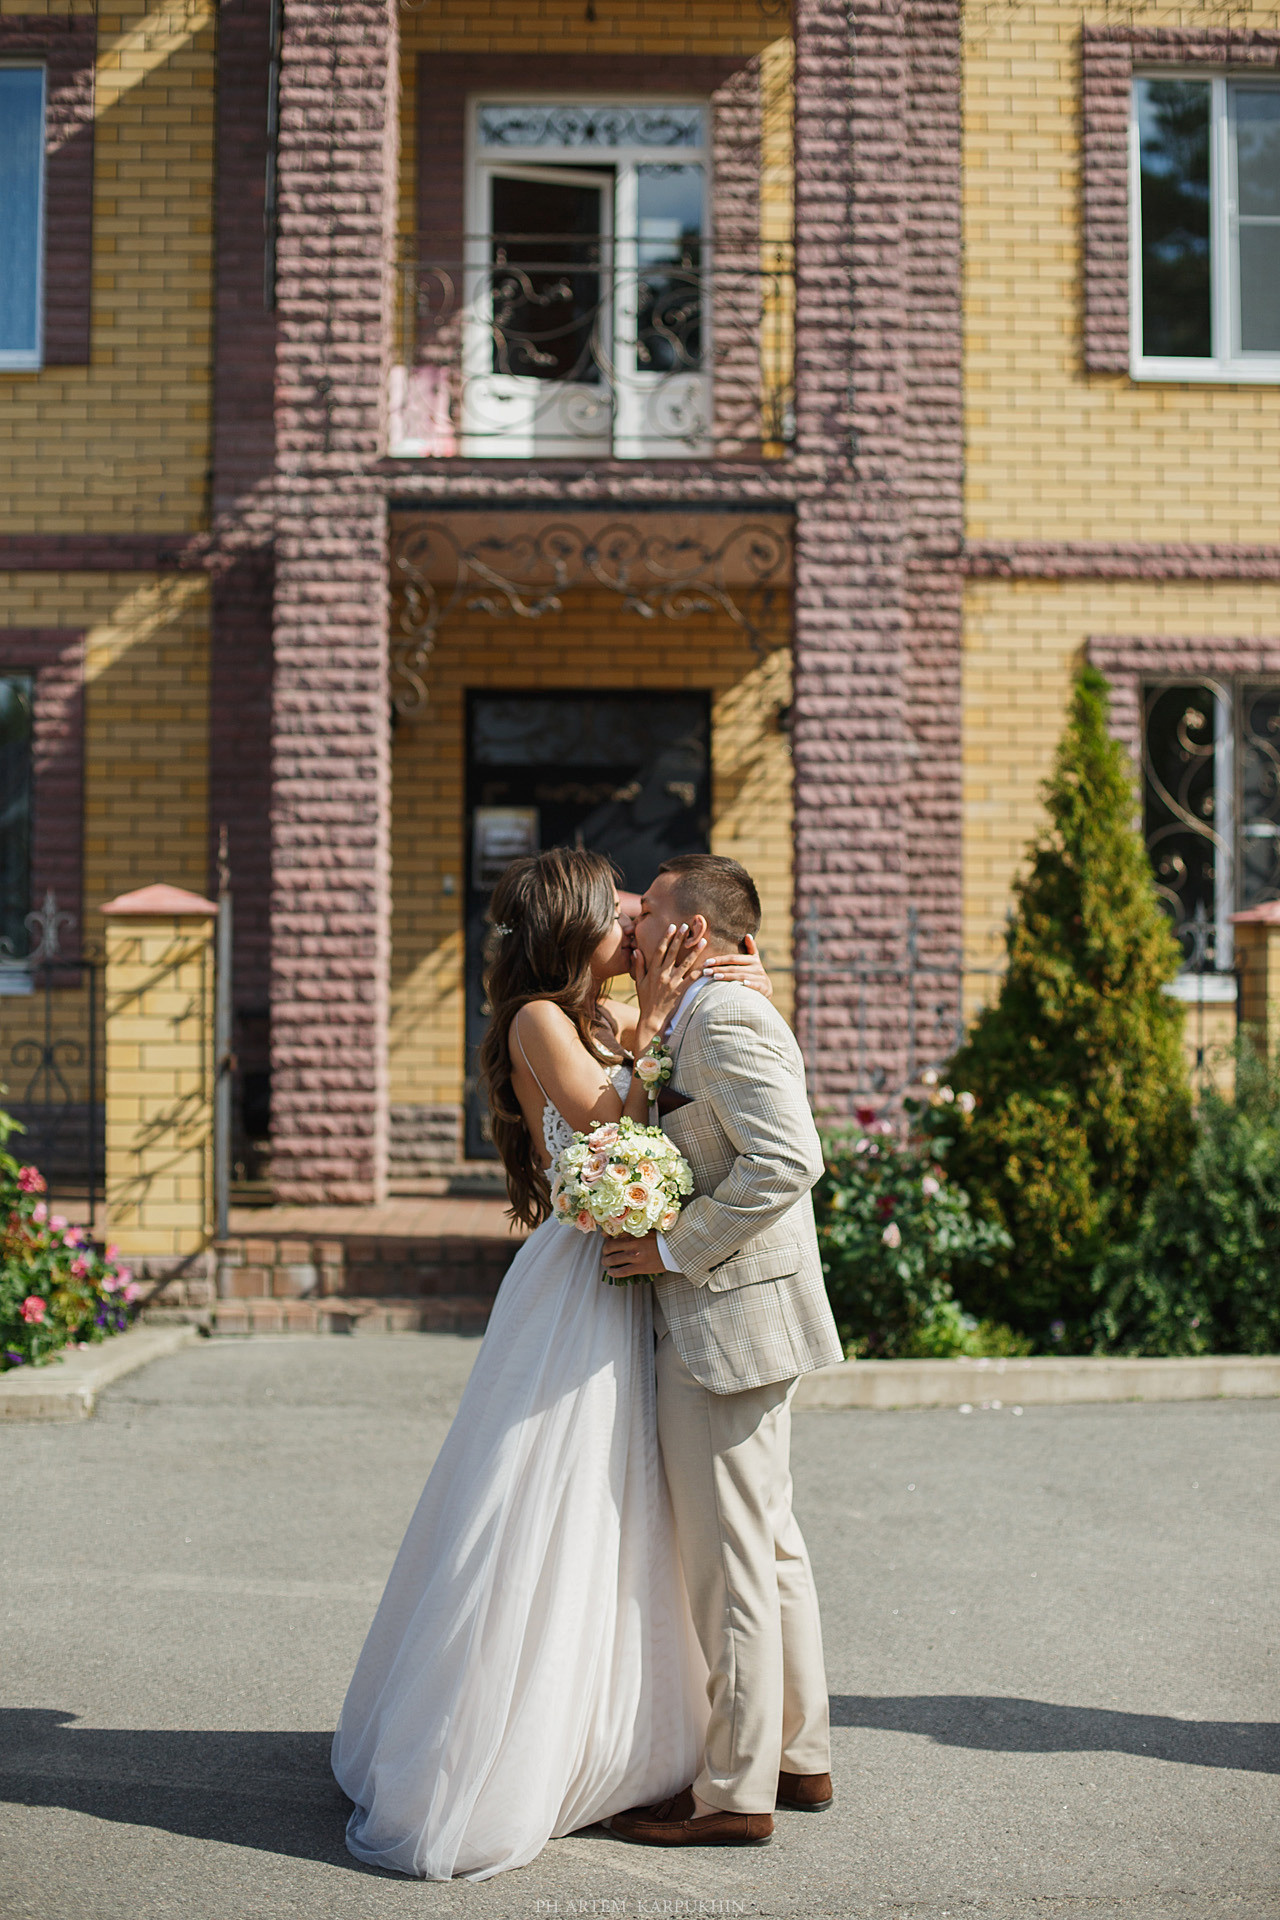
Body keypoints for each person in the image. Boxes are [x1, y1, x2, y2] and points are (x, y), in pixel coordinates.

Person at [330, 847, 776, 1880]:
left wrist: (739, 978)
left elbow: (675, 1091)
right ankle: (498, 1748)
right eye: (619, 916)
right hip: (574, 1282)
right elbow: (608, 1122)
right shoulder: (539, 1015)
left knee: (627, 1511)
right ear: (573, 931)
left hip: (626, 1272)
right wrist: (657, 1020)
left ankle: (618, 1737)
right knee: (549, 1500)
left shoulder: (607, 1018)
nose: (636, 931)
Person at [601, 853, 845, 1848]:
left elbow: (791, 1158)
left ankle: (733, 1793)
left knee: (730, 1563)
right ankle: (798, 1756)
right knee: (770, 1546)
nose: (632, 921)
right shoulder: (709, 1004)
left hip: (725, 1316)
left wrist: (670, 1246)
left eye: (648, 909)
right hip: (751, 1317)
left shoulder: (726, 1014)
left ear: (689, 933)